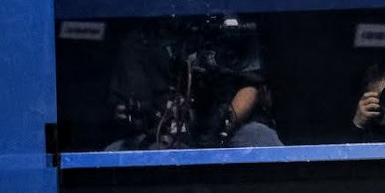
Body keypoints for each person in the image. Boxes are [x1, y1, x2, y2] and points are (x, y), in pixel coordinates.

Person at [106, 17, 282, 150]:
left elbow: (250, 84)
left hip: (229, 125)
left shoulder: (229, 30)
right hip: (169, 135)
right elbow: (129, 110)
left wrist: (223, 127)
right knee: (121, 151)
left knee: (260, 137)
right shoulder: (144, 39)